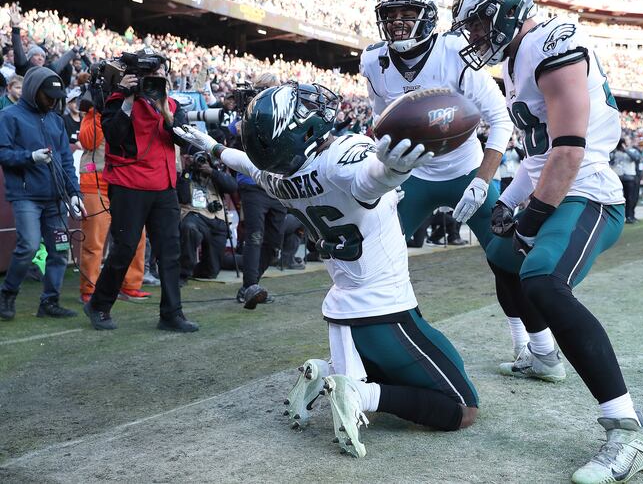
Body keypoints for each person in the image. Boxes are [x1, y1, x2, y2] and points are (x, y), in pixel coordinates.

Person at [175, 81, 478, 459]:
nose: (313, 107)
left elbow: (247, 164)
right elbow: (368, 182)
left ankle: (324, 372)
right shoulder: (339, 159)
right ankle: (359, 393)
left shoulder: (278, 179)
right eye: (302, 111)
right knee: (463, 407)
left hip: (344, 311)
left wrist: (216, 147)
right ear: (299, 131)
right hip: (385, 311)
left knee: (421, 367)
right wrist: (392, 173)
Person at [450, 0, 643, 482]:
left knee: (542, 278)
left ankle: (629, 430)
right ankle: (544, 357)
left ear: (506, 12)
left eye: (479, 22)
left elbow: (569, 153)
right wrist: (505, 199)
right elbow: (540, 154)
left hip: (589, 192)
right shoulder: (516, 59)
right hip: (557, 179)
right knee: (503, 258)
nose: (475, 34)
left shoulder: (554, 44)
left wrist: (531, 217)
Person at [361, 0, 531, 358]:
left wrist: (481, 182)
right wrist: (383, 170)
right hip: (411, 176)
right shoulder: (374, 60)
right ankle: (397, 339)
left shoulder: (454, 50)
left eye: (409, 13)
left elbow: (501, 121)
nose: (399, 22)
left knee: (505, 258)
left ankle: (532, 344)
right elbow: (380, 121)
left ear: (427, 16)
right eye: (392, 14)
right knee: (374, 253)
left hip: (466, 169)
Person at [83, 48, 198, 332]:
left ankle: (171, 314)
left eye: (161, 76)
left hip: (164, 186)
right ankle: (98, 304)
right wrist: (129, 100)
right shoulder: (117, 101)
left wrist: (165, 112)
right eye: (152, 77)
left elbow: (183, 141)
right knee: (124, 248)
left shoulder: (171, 105)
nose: (158, 81)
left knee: (170, 251)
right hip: (128, 185)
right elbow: (113, 135)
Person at [0, 66, 86, 321]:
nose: (52, 101)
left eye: (55, 98)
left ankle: (50, 301)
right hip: (26, 195)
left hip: (56, 196)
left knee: (59, 249)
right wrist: (31, 157)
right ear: (33, 92)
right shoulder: (9, 116)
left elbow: (66, 161)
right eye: (48, 96)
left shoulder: (55, 119)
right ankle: (8, 293)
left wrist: (74, 192)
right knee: (27, 245)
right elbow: (2, 153)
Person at [77, 93, 150, 304]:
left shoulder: (134, 107)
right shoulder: (93, 112)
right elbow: (87, 141)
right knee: (94, 239)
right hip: (96, 182)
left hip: (127, 180)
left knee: (136, 237)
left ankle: (131, 284)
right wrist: (100, 111)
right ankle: (89, 287)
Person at [232, 73, 286, 308]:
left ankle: (249, 286)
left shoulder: (282, 113)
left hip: (275, 183)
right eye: (266, 88)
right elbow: (233, 131)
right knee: (255, 236)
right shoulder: (246, 113)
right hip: (253, 182)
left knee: (274, 242)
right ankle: (250, 286)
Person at [178, 145, 238, 283]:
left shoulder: (214, 172)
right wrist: (187, 170)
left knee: (210, 272)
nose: (200, 162)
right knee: (189, 227)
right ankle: (183, 273)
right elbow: (183, 198)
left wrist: (211, 171)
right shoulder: (185, 173)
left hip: (217, 219)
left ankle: (197, 269)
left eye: (203, 158)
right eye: (197, 158)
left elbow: (233, 186)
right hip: (195, 215)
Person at [610, 138, 641, 223]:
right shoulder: (615, 152)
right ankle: (619, 217)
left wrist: (626, 150)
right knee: (617, 198)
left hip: (630, 177)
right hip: (618, 177)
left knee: (631, 198)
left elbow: (636, 158)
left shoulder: (633, 150)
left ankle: (630, 216)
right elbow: (609, 161)